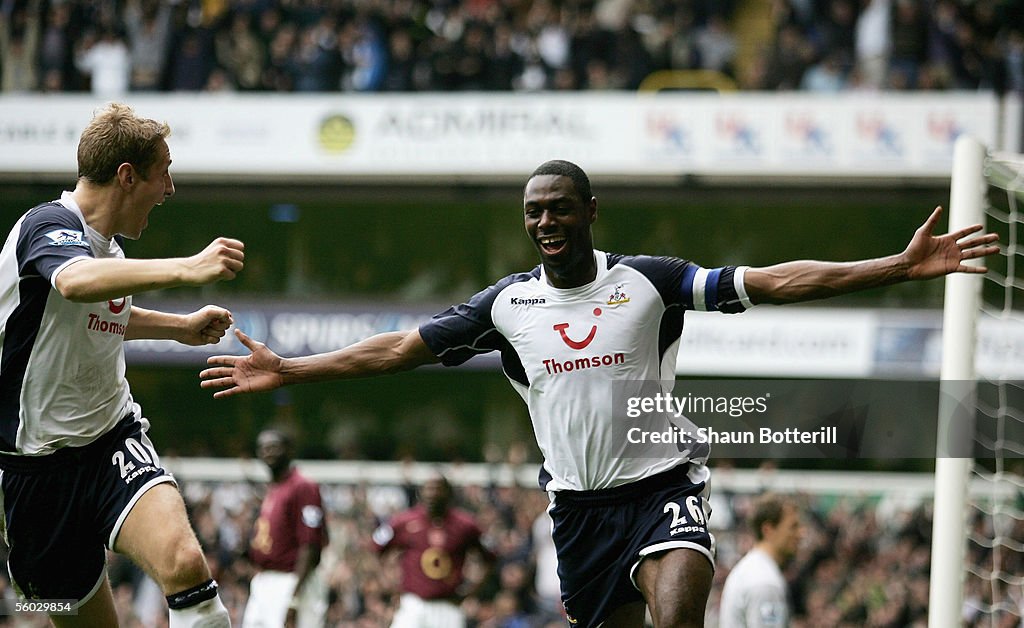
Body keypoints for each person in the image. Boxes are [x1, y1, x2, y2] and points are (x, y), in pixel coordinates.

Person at [200, 159, 998, 627]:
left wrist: (893, 266)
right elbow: (398, 349)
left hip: (663, 488)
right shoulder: (505, 305)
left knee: (681, 609)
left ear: (589, 211)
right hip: (577, 511)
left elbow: (776, 280)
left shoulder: (649, 283)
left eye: (557, 208)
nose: (544, 221)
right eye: (532, 213)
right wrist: (293, 369)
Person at [0, 102, 244, 627]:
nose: (171, 189)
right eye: (165, 173)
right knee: (51, 607)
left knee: (185, 563)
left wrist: (178, 328)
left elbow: (99, 312)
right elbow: (72, 283)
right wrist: (188, 268)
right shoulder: (47, 225)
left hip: (113, 440)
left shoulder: (108, 256)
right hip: (34, 471)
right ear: (127, 176)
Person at [371, 472, 494, 627]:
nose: (433, 493)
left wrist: (471, 590)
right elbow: (376, 546)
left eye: (438, 488)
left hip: (448, 605)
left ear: (448, 492)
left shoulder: (466, 525)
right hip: (414, 604)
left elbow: (491, 556)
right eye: (429, 488)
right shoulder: (405, 521)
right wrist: (387, 583)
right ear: (421, 492)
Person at [242, 428, 329, 628]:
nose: (267, 453)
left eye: (273, 447)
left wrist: (294, 598)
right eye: (262, 449)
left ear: (289, 450)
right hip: (265, 581)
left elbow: (311, 544)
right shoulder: (274, 487)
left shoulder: (303, 486)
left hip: (291, 581)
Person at [718, 493, 803, 627]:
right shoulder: (764, 581)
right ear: (768, 530)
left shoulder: (751, 569)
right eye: (793, 526)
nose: (801, 533)